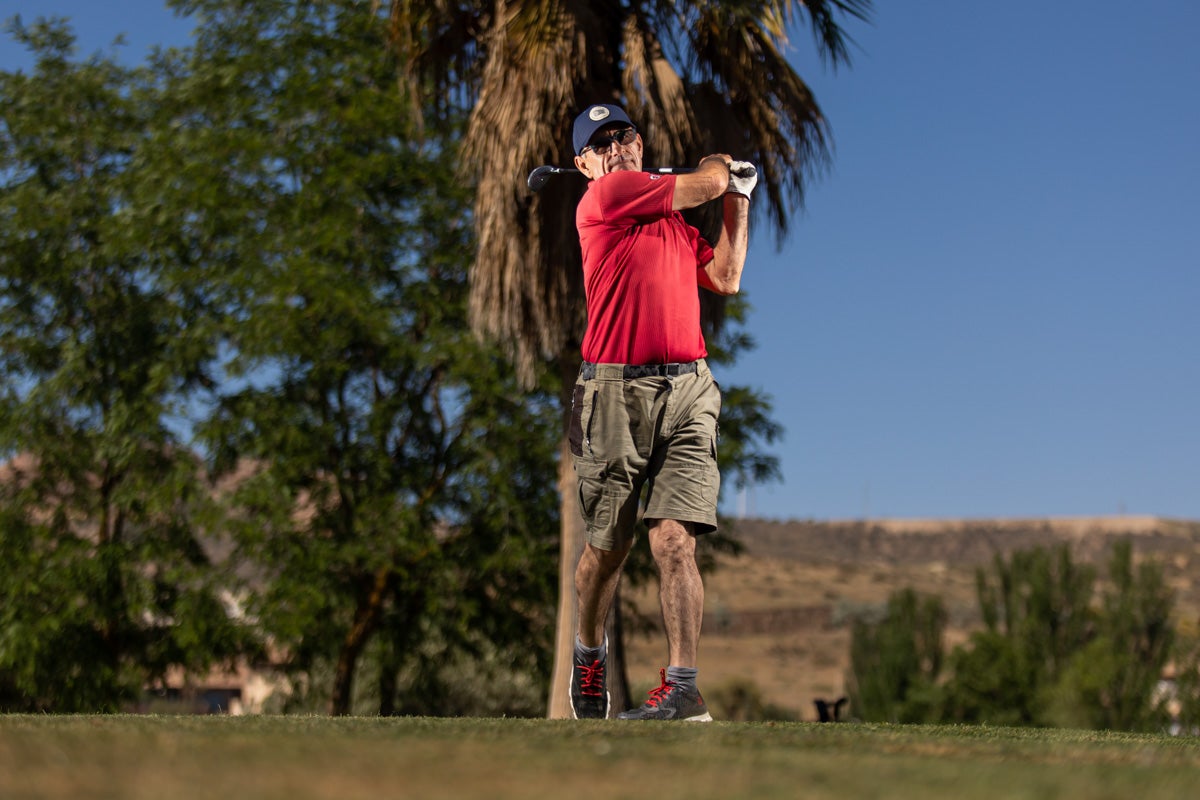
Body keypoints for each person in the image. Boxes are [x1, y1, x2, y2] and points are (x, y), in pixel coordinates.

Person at [565, 103, 755, 721]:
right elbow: (702, 183)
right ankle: (589, 654)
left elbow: (725, 276)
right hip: (616, 394)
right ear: (584, 165)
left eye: (623, 136)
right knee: (608, 549)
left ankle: (683, 689)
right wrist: (720, 170)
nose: (615, 148)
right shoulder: (606, 198)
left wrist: (740, 199)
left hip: (690, 388)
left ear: (640, 143)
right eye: (601, 144)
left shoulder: (669, 223)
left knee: (675, 542)